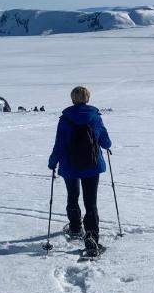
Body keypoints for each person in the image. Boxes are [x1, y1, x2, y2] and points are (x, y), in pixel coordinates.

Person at [48, 86, 112, 257]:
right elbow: (106, 141)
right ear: (87, 98)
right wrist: (105, 143)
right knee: (90, 202)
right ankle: (91, 238)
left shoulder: (65, 119)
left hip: (70, 166)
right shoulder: (95, 117)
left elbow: (59, 144)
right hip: (92, 166)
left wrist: (53, 161)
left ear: (73, 99)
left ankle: (76, 227)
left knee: (73, 196)